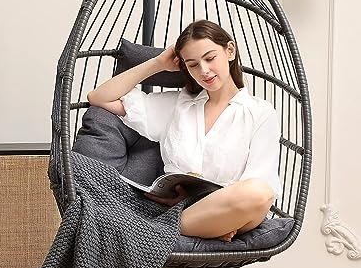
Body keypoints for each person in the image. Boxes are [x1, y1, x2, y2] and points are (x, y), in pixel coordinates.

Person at [87, 20, 280, 242]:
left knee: (259, 192)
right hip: (177, 209)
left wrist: (212, 206)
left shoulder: (260, 112)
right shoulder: (179, 105)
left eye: (210, 58)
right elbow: (99, 97)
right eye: (193, 64)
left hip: (235, 208)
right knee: (254, 195)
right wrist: (157, 64)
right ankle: (203, 228)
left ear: (230, 51)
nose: (204, 71)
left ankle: (181, 227)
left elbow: (260, 185)